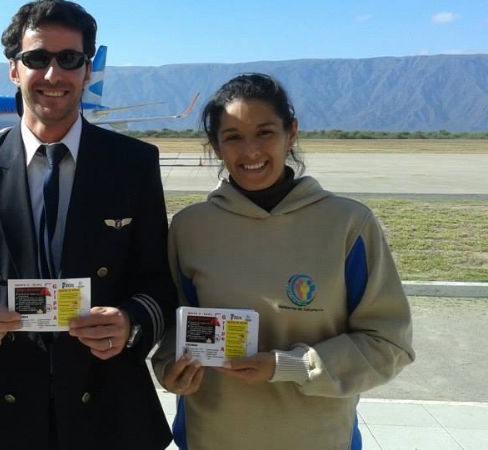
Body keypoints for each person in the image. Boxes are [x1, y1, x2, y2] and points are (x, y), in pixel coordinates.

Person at [0, 1, 175, 449]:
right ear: (13, 70)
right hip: (4, 410)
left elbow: (160, 281)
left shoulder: (134, 163)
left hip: (107, 409)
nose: (52, 75)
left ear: (86, 71)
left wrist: (129, 322)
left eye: (69, 59)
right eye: (37, 58)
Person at [151, 73, 415, 450]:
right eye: (233, 138)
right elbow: (175, 327)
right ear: (216, 146)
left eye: (265, 133)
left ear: (291, 132)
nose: (251, 151)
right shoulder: (191, 228)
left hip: (318, 437)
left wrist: (289, 366)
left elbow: (389, 345)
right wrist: (169, 370)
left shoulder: (348, 225)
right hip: (212, 435)